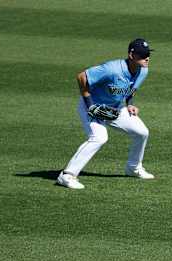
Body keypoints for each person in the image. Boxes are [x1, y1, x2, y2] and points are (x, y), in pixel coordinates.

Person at [57, 38, 155, 189]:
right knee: (99, 137)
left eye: (147, 54)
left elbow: (129, 89)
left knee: (142, 132)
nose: (146, 58)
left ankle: (133, 168)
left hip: (115, 108)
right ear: (131, 55)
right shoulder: (112, 69)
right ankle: (67, 175)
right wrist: (90, 106)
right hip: (91, 106)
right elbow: (82, 76)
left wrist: (130, 105)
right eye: (142, 55)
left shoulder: (143, 70)